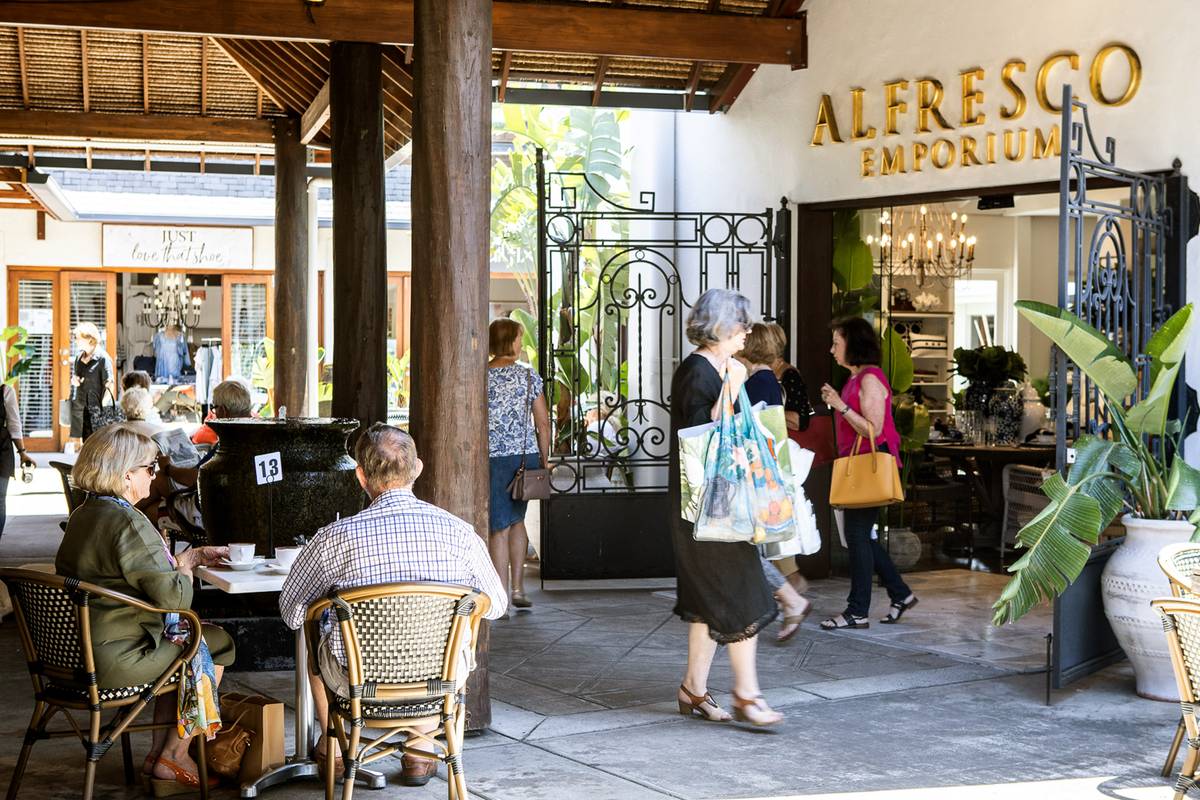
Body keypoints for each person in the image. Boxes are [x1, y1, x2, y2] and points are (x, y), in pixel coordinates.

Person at [278, 423, 506, 787]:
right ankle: (419, 749)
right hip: (438, 682)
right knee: (436, 642)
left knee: (314, 630)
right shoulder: (460, 533)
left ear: (360, 476)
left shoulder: (331, 540)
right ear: (416, 469)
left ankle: (335, 748)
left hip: (356, 683)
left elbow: (291, 612)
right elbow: (496, 605)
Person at [54, 425, 232, 794]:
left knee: (179, 640)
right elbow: (175, 600)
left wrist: (186, 558)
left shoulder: (84, 515)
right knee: (214, 641)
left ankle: (158, 757)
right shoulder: (128, 522)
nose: (156, 475)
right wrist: (188, 564)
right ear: (125, 475)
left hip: (73, 653)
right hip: (116, 658)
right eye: (151, 468)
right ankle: (173, 755)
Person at [668, 288, 782, 728]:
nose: (746, 332)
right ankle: (747, 695)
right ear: (721, 328)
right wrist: (733, 385)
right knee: (744, 594)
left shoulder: (713, 367)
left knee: (709, 600)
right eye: (740, 324)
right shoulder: (697, 371)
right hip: (706, 509)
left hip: (713, 505)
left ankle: (693, 690)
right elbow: (702, 434)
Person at [818, 317, 918, 629]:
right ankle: (900, 593)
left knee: (858, 535)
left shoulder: (870, 379)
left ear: (854, 344)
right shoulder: (855, 378)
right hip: (858, 464)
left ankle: (857, 611)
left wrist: (839, 405)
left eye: (837, 343)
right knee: (861, 536)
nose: (832, 349)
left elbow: (873, 430)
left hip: (869, 464)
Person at [736, 323, 813, 643]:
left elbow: (753, 429)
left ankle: (788, 598)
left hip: (755, 475)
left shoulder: (759, 382)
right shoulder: (765, 379)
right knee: (748, 546)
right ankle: (784, 598)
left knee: (743, 547)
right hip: (760, 474)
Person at [486, 319, 550, 610]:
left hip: (490, 457)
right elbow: (543, 421)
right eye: (519, 339)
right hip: (523, 458)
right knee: (517, 520)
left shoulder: (481, 376)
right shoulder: (527, 377)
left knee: (498, 526)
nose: (521, 344)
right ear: (511, 341)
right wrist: (544, 457)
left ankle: (499, 593)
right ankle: (517, 589)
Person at [68, 321, 115, 445]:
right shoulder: (79, 358)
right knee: (82, 446)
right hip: (80, 409)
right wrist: (75, 381)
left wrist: (102, 408)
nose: (76, 341)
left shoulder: (103, 358)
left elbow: (110, 385)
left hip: (95, 411)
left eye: (78, 338)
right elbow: (77, 378)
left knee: (95, 446)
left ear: (90, 339)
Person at [0, 381, 36, 542]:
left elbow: (14, 424)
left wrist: (22, 453)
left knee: (0, 498)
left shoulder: (5, 391)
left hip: (2, 451)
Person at [766, 322, 815, 433]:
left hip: (790, 442)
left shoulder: (790, 374)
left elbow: (799, 421)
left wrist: (765, 412)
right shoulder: (762, 372)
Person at [190, 378, 251, 447]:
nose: (214, 413)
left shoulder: (228, 443)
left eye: (214, 407)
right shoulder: (262, 431)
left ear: (223, 411)